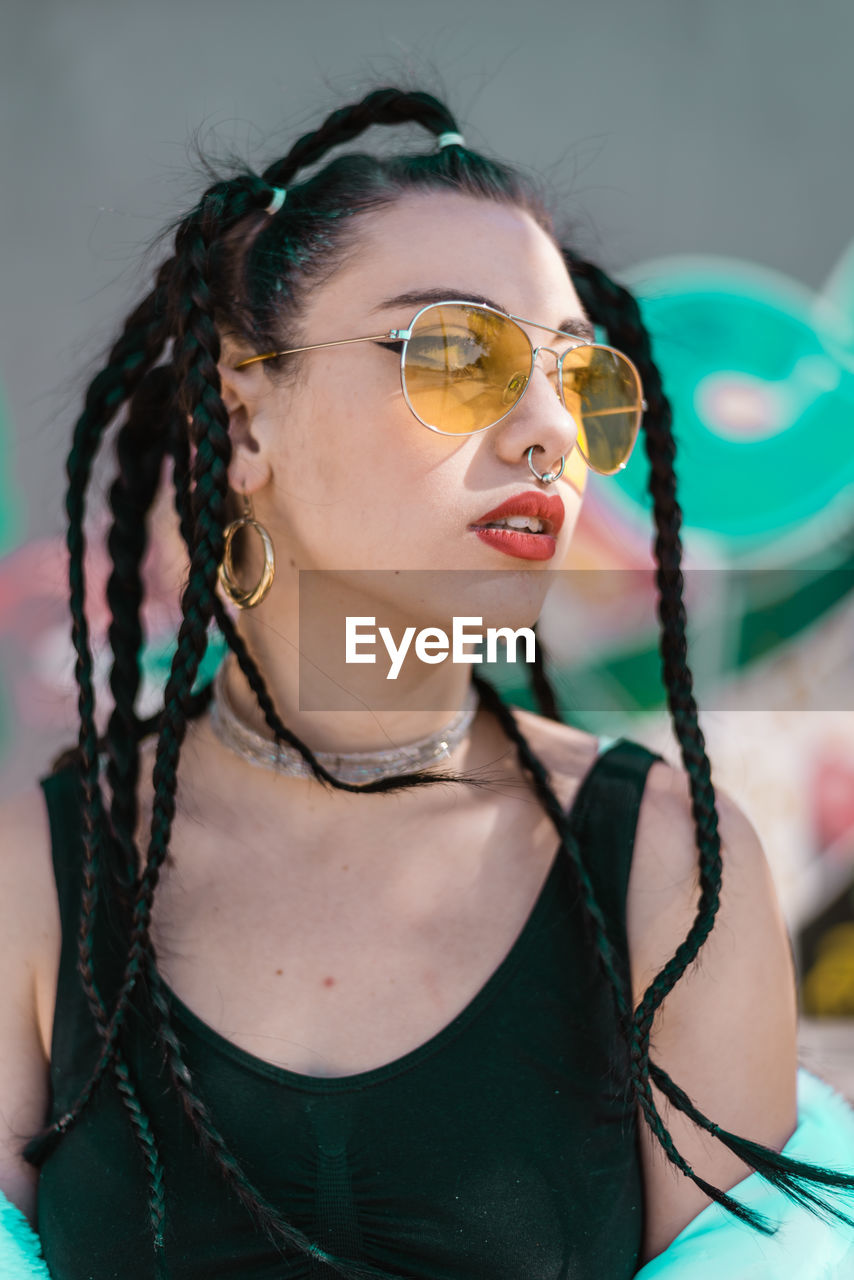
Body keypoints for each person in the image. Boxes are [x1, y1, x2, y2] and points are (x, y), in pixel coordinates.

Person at [1, 85, 853, 1280]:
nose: (544, 429)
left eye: (578, 380)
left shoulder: (670, 863)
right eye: (456, 351)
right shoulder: (40, 870)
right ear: (243, 422)